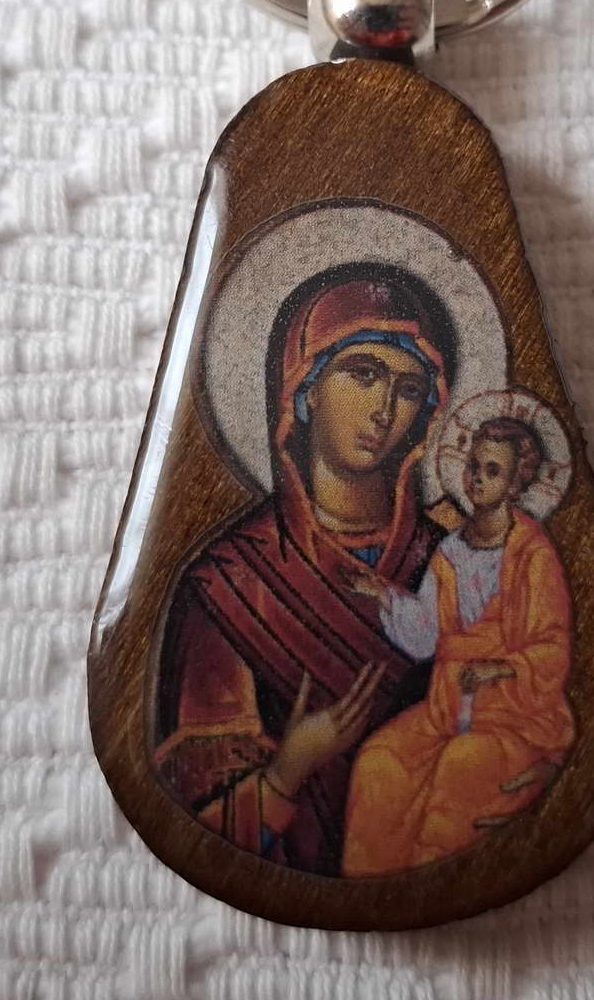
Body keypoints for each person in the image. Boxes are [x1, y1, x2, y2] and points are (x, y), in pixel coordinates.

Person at [151, 265, 456, 874]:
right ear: (306, 387)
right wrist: (290, 768)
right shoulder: (231, 584)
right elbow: (198, 818)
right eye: (363, 374)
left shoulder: (451, 562)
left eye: (408, 388)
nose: (384, 409)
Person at [340, 415, 575, 876]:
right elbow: (427, 635)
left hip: (514, 715)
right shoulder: (451, 551)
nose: (477, 479)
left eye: (492, 471)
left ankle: (426, 890)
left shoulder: (532, 554)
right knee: (378, 761)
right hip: (445, 707)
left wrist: (499, 668)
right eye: (473, 466)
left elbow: (553, 646)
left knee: (460, 766)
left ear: (515, 483)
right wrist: (382, 593)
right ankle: (369, 887)